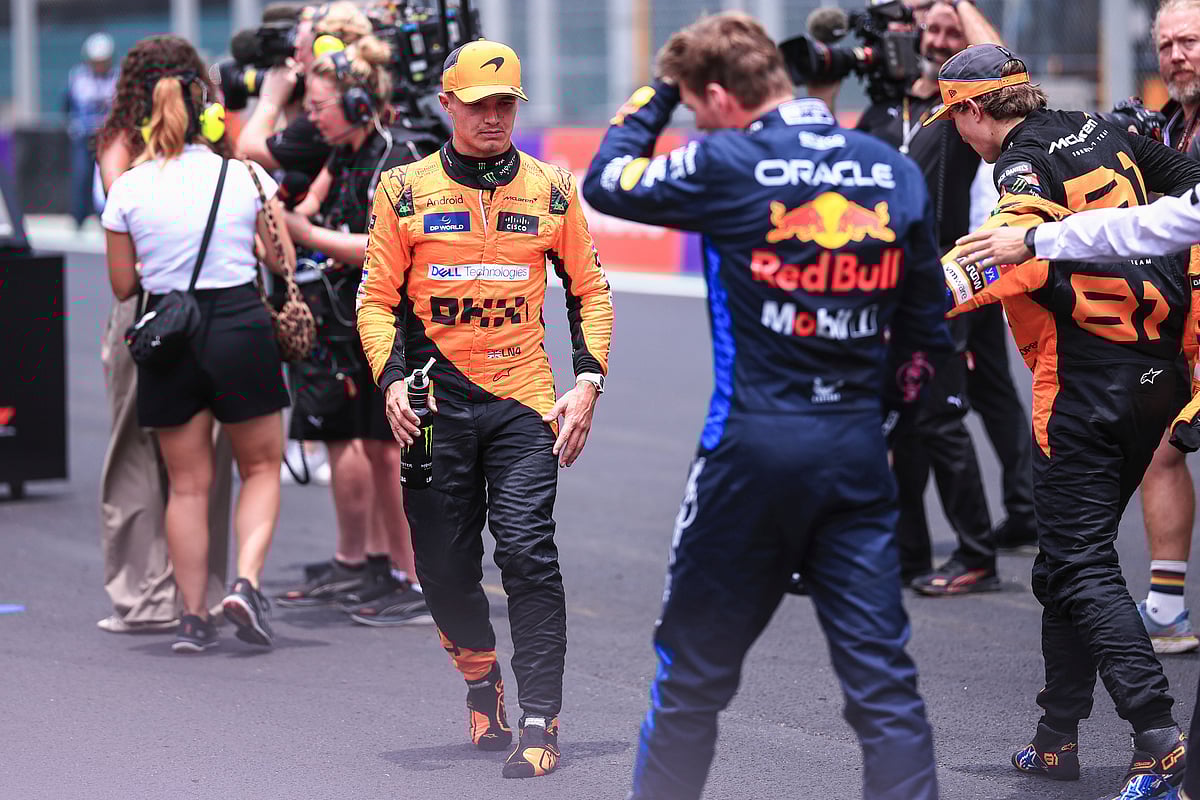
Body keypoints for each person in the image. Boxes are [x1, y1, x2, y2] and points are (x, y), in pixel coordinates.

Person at [582, 12, 952, 800]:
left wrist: (657, 92)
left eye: (692, 102)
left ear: (715, 95)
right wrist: (886, 429)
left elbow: (606, 177)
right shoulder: (891, 169)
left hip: (750, 453)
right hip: (856, 452)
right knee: (884, 690)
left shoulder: (727, 159)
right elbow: (926, 341)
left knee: (691, 682)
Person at [931, 43, 1200, 799]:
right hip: (1158, 377)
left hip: (1085, 386)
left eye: (954, 119)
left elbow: (1007, 238)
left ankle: (1158, 737)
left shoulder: (1017, 166)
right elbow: (1194, 186)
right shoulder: (1100, 128)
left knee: (1080, 562)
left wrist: (903, 298)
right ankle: (1056, 737)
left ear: (971, 112)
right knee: (1061, 565)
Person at [358, 39, 612, 778]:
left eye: (505, 105)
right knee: (440, 568)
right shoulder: (402, 190)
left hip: (523, 402)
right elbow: (375, 301)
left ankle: (541, 718)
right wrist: (391, 382)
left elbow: (590, 291)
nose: (494, 118)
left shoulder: (553, 189)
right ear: (448, 106)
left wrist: (588, 382)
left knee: (529, 551)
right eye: (479, 105)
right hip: (433, 410)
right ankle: (480, 677)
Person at [101, 70, 293, 652]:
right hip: (238, 325)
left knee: (186, 485)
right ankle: (244, 583)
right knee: (260, 467)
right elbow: (277, 257)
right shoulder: (244, 176)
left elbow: (121, 286)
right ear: (211, 118)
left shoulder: (129, 188)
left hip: (168, 334)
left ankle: (191, 617)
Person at [855, 0, 1029, 594]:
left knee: (941, 418)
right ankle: (907, 558)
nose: (934, 40)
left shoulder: (963, 110)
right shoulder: (890, 110)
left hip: (948, 285)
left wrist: (957, 5)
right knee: (900, 426)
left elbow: (1008, 67)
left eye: (948, 33)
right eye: (927, 29)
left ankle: (977, 552)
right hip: (890, 288)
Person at [277, 34, 440, 625]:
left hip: (401, 329)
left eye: (319, 106)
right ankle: (386, 568)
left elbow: (378, 247)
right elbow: (305, 206)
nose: (312, 117)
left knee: (401, 455)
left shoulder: (393, 157)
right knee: (376, 452)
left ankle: (416, 581)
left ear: (355, 105)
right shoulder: (344, 150)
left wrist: (309, 236)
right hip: (358, 322)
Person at [93, 35, 235, 635]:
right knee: (211, 459)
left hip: (150, 311)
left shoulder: (122, 144)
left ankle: (145, 595)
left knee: (136, 451)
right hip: (222, 308)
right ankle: (203, 588)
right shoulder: (216, 144)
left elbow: (120, 226)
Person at [65, 32, 117, 229]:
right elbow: (68, 105)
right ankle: (79, 217)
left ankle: (105, 216)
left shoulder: (116, 78)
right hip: (83, 137)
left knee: (107, 175)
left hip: (107, 137)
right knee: (81, 174)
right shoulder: (77, 77)